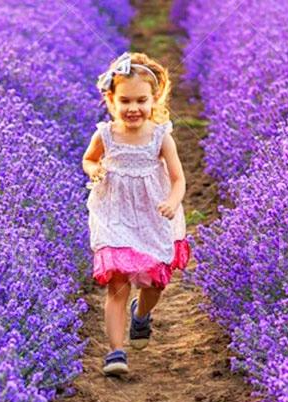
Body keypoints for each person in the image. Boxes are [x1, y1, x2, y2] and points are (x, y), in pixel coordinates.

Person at [82, 50, 191, 376]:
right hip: (114, 212)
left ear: (154, 99)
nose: (133, 109)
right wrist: (94, 171)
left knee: (154, 282)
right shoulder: (105, 135)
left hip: (152, 213)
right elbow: (89, 159)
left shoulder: (161, 137)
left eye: (141, 101)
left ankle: (141, 316)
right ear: (110, 100)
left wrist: (173, 201)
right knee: (117, 281)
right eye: (125, 101)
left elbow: (178, 179)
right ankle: (116, 352)